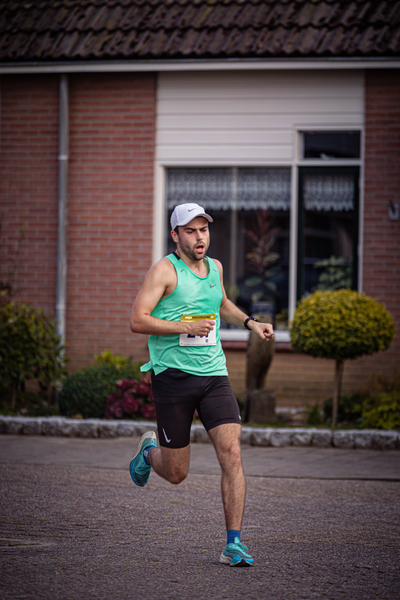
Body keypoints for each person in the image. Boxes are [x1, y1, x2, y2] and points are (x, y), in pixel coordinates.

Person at [129, 202, 274, 567]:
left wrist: (251, 323)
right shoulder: (164, 271)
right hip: (173, 379)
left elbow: (221, 302)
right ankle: (148, 451)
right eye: (190, 231)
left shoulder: (215, 268)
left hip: (213, 376)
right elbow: (137, 320)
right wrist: (184, 327)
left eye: (204, 230)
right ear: (175, 234)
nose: (199, 238)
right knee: (177, 474)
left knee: (232, 454)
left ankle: (233, 544)